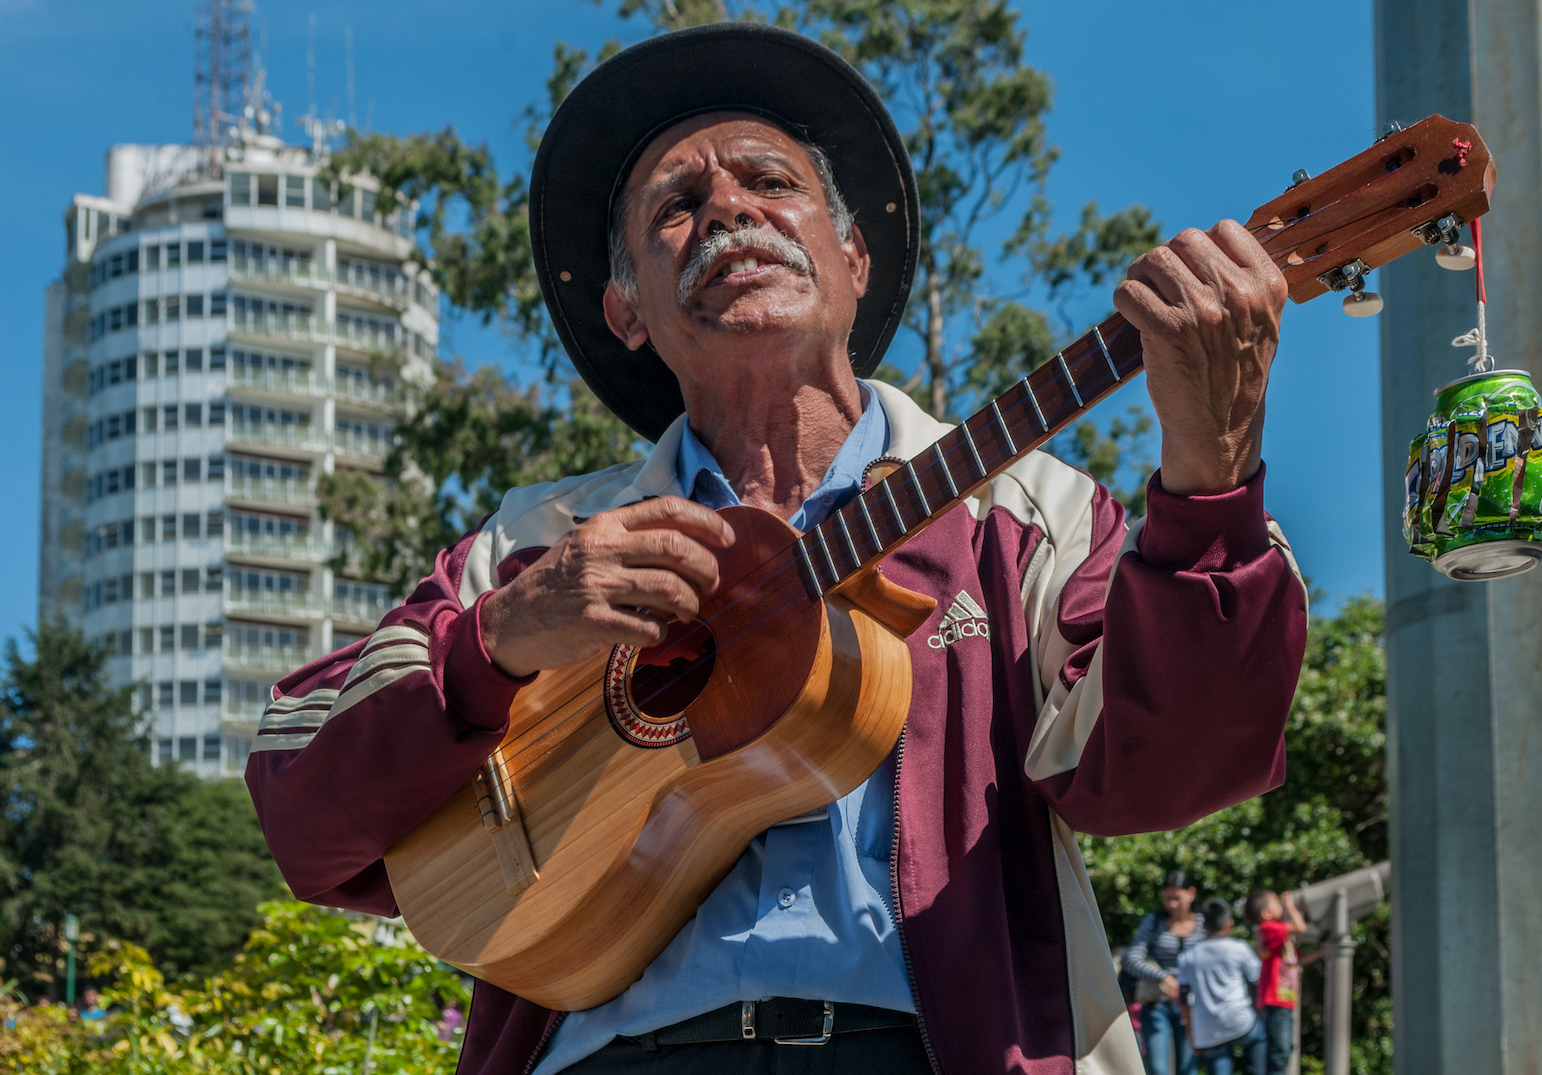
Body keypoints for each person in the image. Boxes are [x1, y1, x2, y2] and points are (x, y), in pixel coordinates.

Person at [245, 22, 1307, 1075]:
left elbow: (1171, 772)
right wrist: (500, 637)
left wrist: (1210, 480)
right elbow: (304, 811)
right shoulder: (540, 543)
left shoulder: (1025, 516)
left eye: (770, 180)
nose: (730, 210)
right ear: (625, 310)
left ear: (852, 258)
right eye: (676, 205)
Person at [1124, 870, 1203, 1075]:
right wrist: (1163, 976)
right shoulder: (1154, 921)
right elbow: (1131, 959)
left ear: (1191, 893)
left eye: (1177, 898)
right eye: (1167, 898)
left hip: (1194, 1006)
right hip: (1158, 1004)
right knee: (1158, 1069)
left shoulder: (1204, 923)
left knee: (1188, 1069)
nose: (1172, 905)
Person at [1178, 899, 1266, 1075]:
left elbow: (1183, 998)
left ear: (1203, 926)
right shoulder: (1238, 948)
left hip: (1207, 1029)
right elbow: (1258, 978)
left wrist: (1190, 1033)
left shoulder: (1187, 956)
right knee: (1259, 1037)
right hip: (1240, 1021)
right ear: (1229, 923)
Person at [1244, 890, 1310, 1075]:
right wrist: (1290, 905)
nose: (1281, 906)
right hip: (1275, 999)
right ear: (1266, 913)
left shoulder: (1276, 933)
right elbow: (1300, 928)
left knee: (1282, 1049)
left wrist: (1323, 950)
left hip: (1281, 999)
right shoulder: (1269, 928)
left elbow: (1297, 959)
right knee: (1279, 1051)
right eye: (1277, 903)